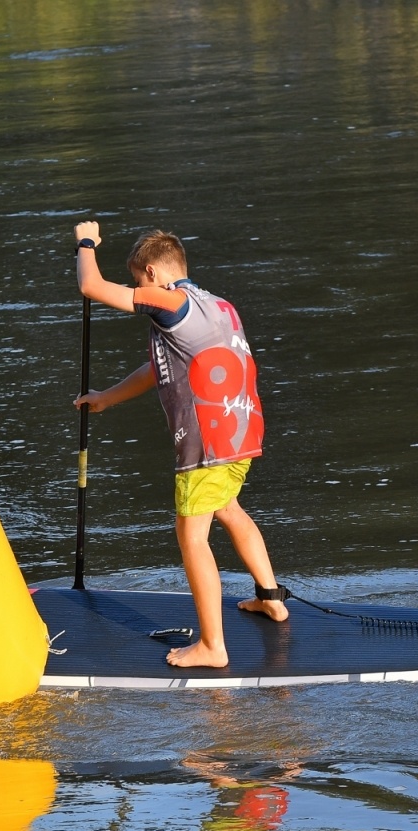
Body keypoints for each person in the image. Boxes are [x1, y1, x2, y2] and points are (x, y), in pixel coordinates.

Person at [72, 222, 288, 669]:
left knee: (192, 536)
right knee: (228, 507)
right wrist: (107, 398)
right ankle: (271, 598)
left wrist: (86, 241)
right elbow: (159, 369)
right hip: (242, 433)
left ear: (151, 273)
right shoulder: (218, 306)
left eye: (137, 282)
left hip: (206, 446)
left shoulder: (166, 299)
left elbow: (90, 286)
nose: (137, 290)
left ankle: (213, 646)